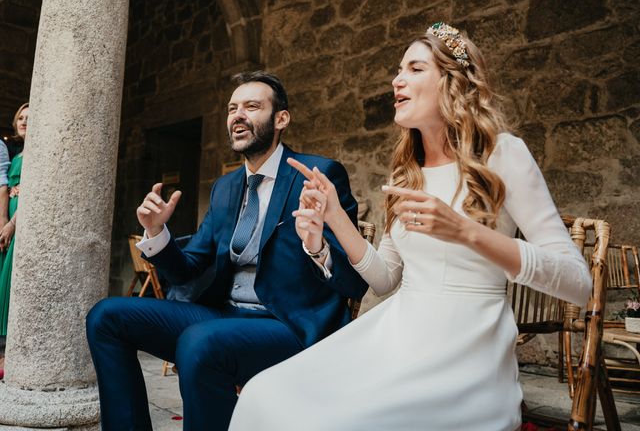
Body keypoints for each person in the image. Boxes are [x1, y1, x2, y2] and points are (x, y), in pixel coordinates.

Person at [229, 23, 592, 431]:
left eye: (414, 68)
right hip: (396, 333)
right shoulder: (407, 174)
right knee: (265, 393)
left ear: (452, 82)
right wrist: (333, 218)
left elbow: (578, 283)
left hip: (467, 347)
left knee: (343, 421)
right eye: (398, 70)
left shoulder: (503, 154)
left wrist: (466, 231)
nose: (396, 80)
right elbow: (384, 279)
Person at [85, 71, 368, 430]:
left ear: (281, 119)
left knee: (200, 343)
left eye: (252, 106)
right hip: (225, 316)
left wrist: (319, 246)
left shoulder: (318, 174)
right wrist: (157, 232)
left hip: (289, 326)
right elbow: (189, 268)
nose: (237, 115)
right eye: (232, 108)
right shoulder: (226, 187)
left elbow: (353, 280)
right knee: (106, 316)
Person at [0, 102, 28, 377]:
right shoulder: (17, 153)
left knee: (9, 284)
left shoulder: (36, 154)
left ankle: (9, 353)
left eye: (31, 118)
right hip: (7, 222)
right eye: (21, 117)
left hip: (21, 224)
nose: (24, 121)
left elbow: (31, 195)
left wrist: (10, 225)